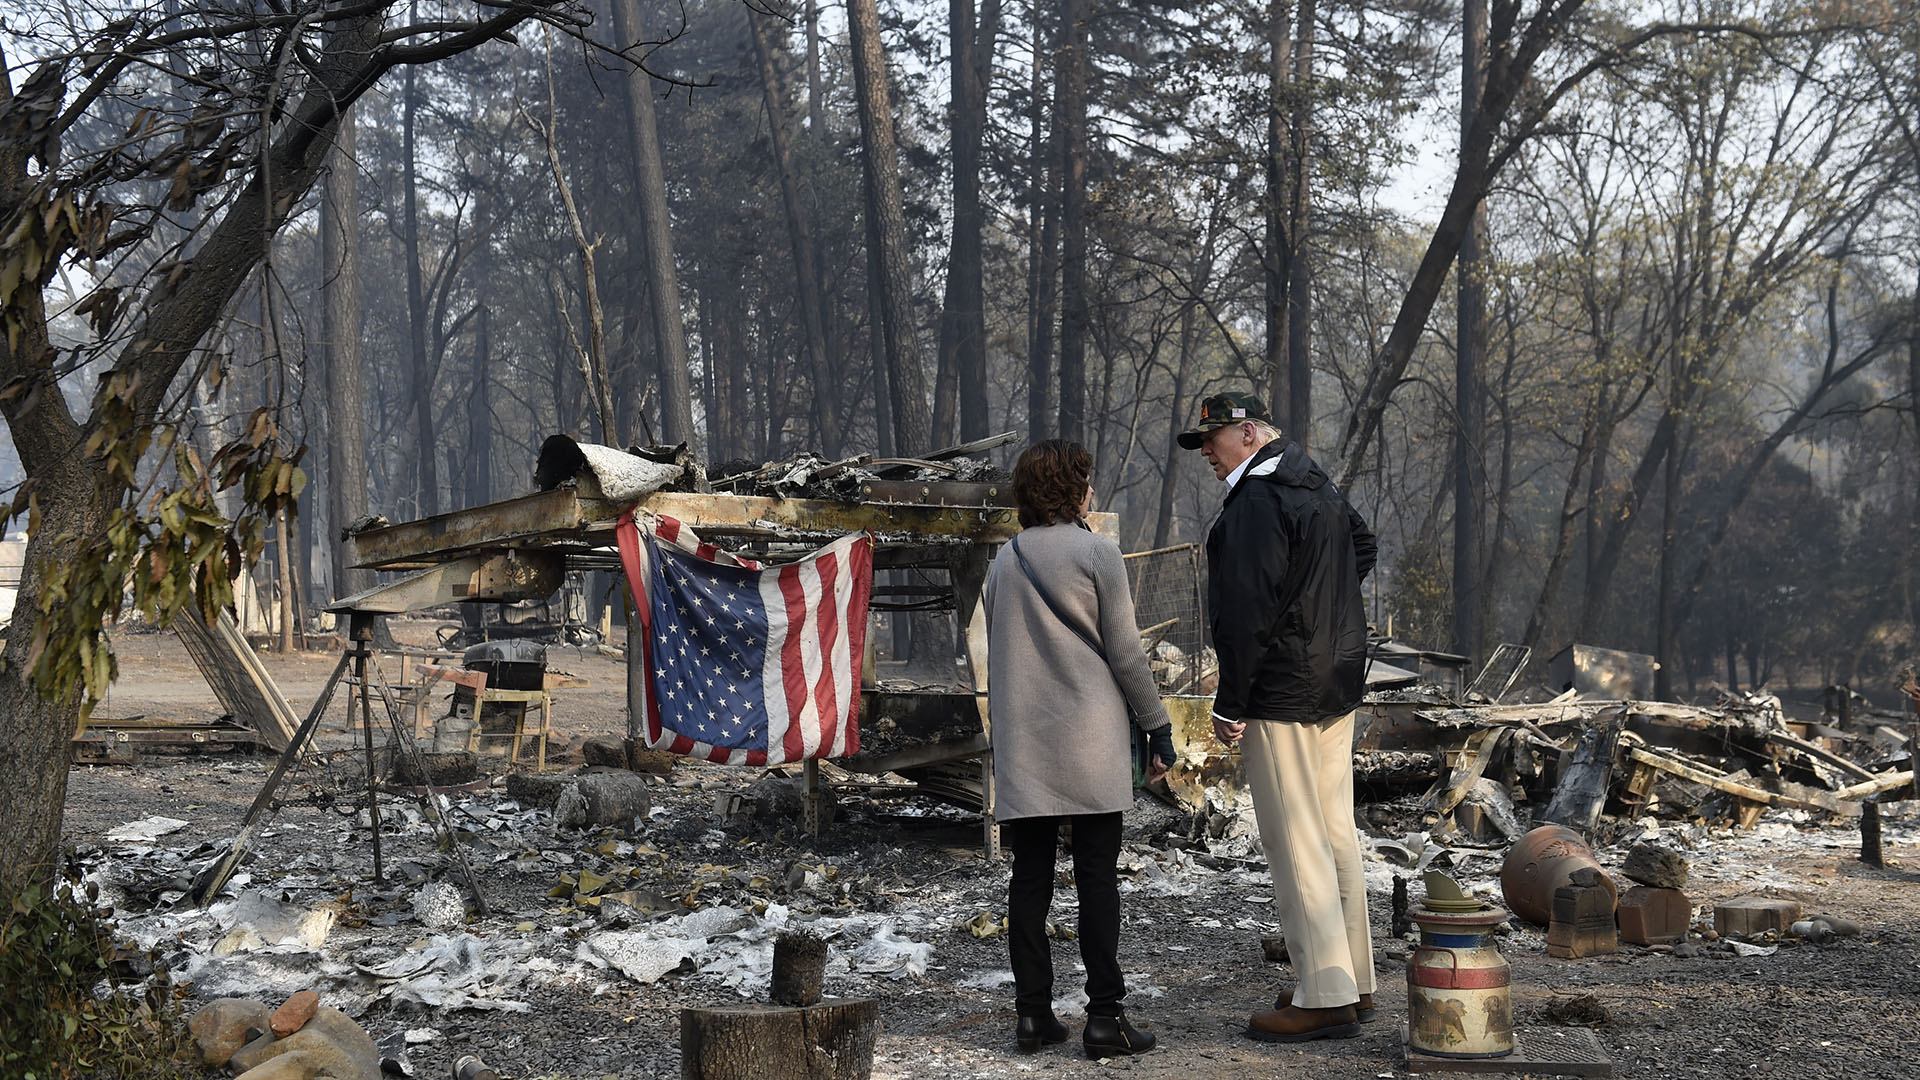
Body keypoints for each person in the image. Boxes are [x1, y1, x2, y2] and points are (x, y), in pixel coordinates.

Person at [1177, 392, 1378, 1043]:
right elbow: (1362, 546)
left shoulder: (1256, 503)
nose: (1206, 451)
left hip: (1284, 688)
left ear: (1247, 432)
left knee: (1295, 840)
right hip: (1335, 677)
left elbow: (1244, 617)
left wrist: (1231, 703)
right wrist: (1327, 614)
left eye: (1212, 438)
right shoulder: (1311, 478)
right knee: (1334, 831)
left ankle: (1323, 994)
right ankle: (1351, 980)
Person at [985, 438, 1177, 1059]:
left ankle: (1033, 1016)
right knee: (1096, 878)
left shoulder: (1004, 561)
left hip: (1025, 745)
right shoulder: (1099, 553)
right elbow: (1124, 651)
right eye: (1086, 480)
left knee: (1029, 880)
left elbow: (1001, 646)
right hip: (1090, 739)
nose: (1093, 490)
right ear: (1073, 489)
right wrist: (1156, 725)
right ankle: (1104, 1019)